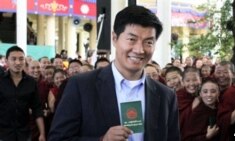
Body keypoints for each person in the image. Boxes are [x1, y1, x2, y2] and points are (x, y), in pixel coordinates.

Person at [49, 5, 180, 141]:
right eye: (132, 39)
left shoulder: (166, 96)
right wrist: (102, 140)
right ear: (114, 38)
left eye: (148, 42)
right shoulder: (81, 86)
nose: (140, 50)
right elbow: (58, 138)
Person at [0, 46, 45, 141]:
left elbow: (37, 108)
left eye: (21, 59)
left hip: (24, 133)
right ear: (7, 61)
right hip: (3, 133)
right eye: (13, 59)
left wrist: (42, 134)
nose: (18, 62)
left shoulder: (31, 82)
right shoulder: (1, 80)